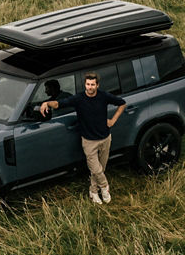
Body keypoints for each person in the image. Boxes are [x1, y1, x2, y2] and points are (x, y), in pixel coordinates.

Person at [39, 72, 125, 204]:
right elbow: (59, 104)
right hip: (89, 141)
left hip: (105, 138)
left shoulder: (104, 96)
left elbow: (122, 103)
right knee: (96, 169)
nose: (89, 87)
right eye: (87, 84)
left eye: (92, 85)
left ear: (97, 85)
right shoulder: (79, 99)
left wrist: (113, 121)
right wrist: (47, 103)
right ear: (85, 84)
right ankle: (104, 187)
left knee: (100, 169)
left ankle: (94, 192)